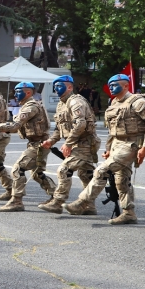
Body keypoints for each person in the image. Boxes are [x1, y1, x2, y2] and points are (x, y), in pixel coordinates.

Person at [64, 74, 145, 224]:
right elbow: (112, 130)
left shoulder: (137, 102)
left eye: (115, 85)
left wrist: (144, 148)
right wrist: (108, 149)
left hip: (131, 144)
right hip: (117, 144)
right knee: (121, 180)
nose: (112, 88)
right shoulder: (113, 103)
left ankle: (83, 201)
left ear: (126, 85)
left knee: (102, 171)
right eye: (110, 85)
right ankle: (129, 213)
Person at [0, 82, 56, 211]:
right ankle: (56, 197)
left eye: (19, 92)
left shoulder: (30, 107)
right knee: (37, 173)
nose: (15, 94)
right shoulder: (29, 105)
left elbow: (14, 126)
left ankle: (17, 201)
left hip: (38, 145)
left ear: (28, 93)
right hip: (36, 143)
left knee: (18, 169)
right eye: (16, 91)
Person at [40, 75, 100, 214]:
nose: (56, 89)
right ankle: (89, 206)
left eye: (59, 86)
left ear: (70, 87)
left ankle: (57, 202)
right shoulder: (61, 104)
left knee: (64, 169)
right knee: (86, 174)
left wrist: (68, 143)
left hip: (85, 142)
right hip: (78, 142)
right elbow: (59, 128)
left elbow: (81, 124)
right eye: (55, 87)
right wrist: (51, 141)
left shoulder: (75, 102)